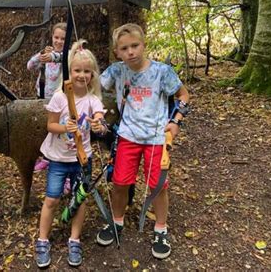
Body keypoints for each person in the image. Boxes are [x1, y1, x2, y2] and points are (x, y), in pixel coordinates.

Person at [96, 23, 190, 260]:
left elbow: (183, 94)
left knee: (158, 185)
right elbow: (92, 85)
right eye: (124, 48)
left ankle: (160, 228)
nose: (131, 52)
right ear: (117, 52)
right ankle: (116, 222)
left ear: (143, 44)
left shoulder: (161, 72)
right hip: (127, 135)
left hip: (156, 137)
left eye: (135, 46)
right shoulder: (117, 71)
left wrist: (176, 121)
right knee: (119, 182)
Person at [35, 39, 108, 268]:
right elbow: (50, 126)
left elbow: (99, 119)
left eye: (87, 71)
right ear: (69, 72)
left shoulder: (93, 99)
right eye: (77, 70)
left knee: (80, 199)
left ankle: (74, 239)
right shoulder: (60, 97)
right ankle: (42, 239)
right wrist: (65, 127)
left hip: (82, 159)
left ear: (93, 75)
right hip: (58, 159)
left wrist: (98, 125)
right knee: (52, 198)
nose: (81, 75)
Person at [27, 23, 66, 173]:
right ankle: (44, 157)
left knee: (56, 129)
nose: (59, 41)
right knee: (43, 128)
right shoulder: (45, 53)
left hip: (59, 100)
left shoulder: (68, 54)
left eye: (62, 38)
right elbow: (30, 66)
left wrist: (52, 56)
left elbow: (63, 58)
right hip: (42, 97)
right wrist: (41, 55)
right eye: (56, 37)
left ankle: (53, 159)